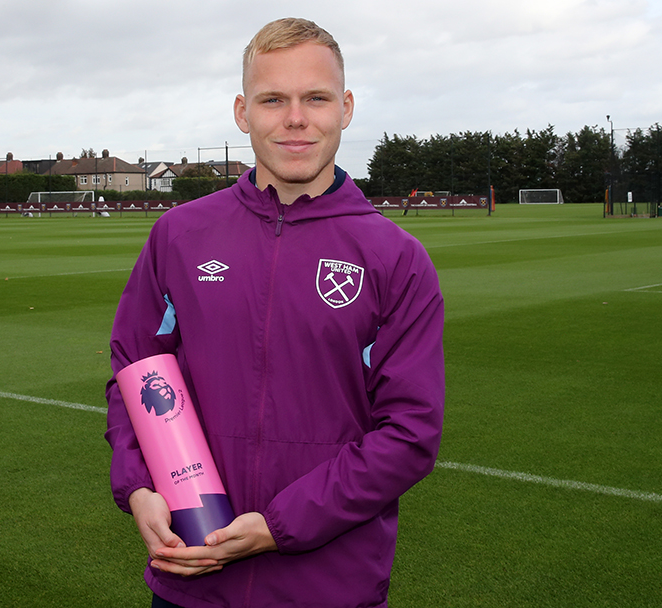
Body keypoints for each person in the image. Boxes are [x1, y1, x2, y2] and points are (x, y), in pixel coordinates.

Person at [105, 17, 444, 608]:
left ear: (347, 107)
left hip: (329, 588)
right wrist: (139, 487)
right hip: (191, 578)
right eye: (272, 99)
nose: (295, 118)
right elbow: (136, 369)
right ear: (242, 112)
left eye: (316, 97)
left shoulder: (397, 258)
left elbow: (410, 433)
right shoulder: (179, 235)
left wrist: (279, 524)